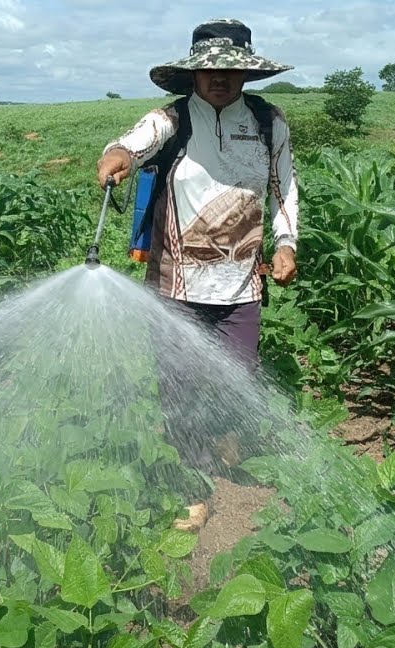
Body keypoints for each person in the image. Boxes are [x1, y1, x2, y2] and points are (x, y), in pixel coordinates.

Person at [96, 18, 300, 483]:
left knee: (238, 379)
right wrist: (118, 157)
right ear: (193, 74)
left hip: (241, 284)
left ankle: (217, 443)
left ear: (247, 74)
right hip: (176, 285)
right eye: (211, 70)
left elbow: (282, 187)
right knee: (179, 388)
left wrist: (286, 244)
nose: (221, 78)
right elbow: (132, 144)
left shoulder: (269, 123)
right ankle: (194, 481)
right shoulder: (172, 119)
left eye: (231, 69)